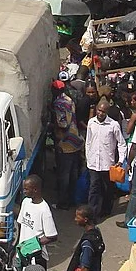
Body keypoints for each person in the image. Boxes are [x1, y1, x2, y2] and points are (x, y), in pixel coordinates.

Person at [85, 99, 127, 221]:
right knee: (94, 188)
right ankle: (92, 213)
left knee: (107, 189)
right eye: (99, 110)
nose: (100, 113)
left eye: (103, 111)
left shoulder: (113, 125)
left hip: (107, 164)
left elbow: (121, 143)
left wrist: (120, 159)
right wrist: (88, 157)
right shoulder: (91, 123)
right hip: (93, 163)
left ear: (107, 112)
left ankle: (106, 210)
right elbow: (88, 142)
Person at [52, 81, 83, 209]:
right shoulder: (69, 100)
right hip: (75, 140)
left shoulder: (58, 103)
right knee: (73, 174)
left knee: (64, 175)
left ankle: (63, 203)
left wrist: (52, 125)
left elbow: (63, 124)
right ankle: (72, 199)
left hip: (66, 143)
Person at [17, 175, 59, 269]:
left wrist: (33, 245)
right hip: (23, 254)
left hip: (36, 257)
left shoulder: (44, 209)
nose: (24, 191)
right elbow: (21, 223)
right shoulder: (25, 202)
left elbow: (52, 236)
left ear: (35, 190)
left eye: (26, 189)